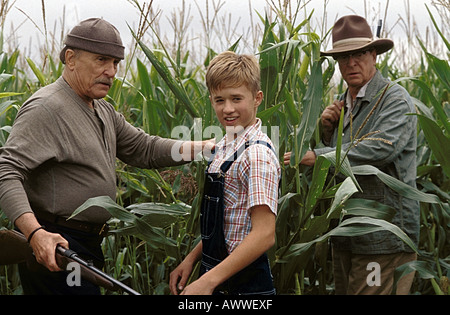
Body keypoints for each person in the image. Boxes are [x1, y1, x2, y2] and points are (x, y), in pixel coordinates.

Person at [0, 18, 212, 295]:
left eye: (115, 63)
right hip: (57, 245)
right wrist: (35, 234)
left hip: (86, 245)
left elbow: (145, 149)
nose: (111, 71)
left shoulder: (102, 110)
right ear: (71, 58)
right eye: (102, 60)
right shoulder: (46, 108)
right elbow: (6, 171)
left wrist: (209, 148)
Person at [284, 15, 419, 294]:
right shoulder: (343, 105)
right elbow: (343, 163)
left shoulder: (395, 99)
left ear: (373, 55)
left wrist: (318, 155)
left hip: (382, 238)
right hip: (346, 236)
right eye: (343, 57)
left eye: (358, 54)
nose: (351, 63)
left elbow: (381, 148)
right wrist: (326, 132)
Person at [169, 51, 281, 295]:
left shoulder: (257, 155)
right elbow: (228, 224)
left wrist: (208, 281)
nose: (228, 109)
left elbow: (264, 234)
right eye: (220, 100)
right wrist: (192, 259)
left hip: (244, 286)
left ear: (257, 98)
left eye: (236, 98)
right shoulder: (223, 148)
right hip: (216, 274)